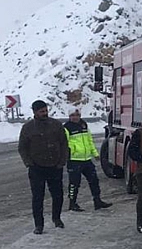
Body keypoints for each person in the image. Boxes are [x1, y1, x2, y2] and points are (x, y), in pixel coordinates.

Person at [18, 100, 69, 234]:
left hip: (55, 166)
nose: (45, 113)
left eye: (46, 111)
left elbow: (64, 144)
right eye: (41, 111)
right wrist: (29, 163)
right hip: (36, 168)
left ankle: (57, 219)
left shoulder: (56, 125)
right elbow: (22, 148)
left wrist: (62, 162)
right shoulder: (28, 128)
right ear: (35, 112)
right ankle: (39, 225)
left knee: (58, 195)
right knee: (37, 197)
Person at [63, 108, 112, 212]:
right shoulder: (66, 128)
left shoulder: (84, 125)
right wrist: (69, 154)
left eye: (77, 115)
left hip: (86, 159)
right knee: (74, 183)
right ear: (69, 116)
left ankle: (97, 201)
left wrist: (95, 153)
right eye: (73, 115)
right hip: (74, 159)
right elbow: (63, 144)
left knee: (94, 180)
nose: (75, 117)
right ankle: (72, 203)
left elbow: (89, 141)